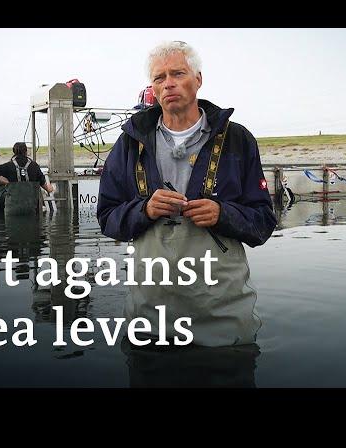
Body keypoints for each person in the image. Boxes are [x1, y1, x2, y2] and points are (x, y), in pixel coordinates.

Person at [97, 40, 277, 347]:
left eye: (178, 73)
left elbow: (262, 223)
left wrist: (223, 213)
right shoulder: (128, 144)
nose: (168, 84)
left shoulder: (238, 140)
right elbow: (107, 218)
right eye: (159, 78)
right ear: (152, 88)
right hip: (148, 322)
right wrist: (144, 210)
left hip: (225, 321)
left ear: (198, 79)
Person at [0, 142, 54, 211]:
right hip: (30, 207)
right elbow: (42, 182)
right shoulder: (34, 166)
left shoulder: (8, 166)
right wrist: (49, 189)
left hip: (12, 208)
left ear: (14, 152)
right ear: (26, 152)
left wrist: (6, 182)